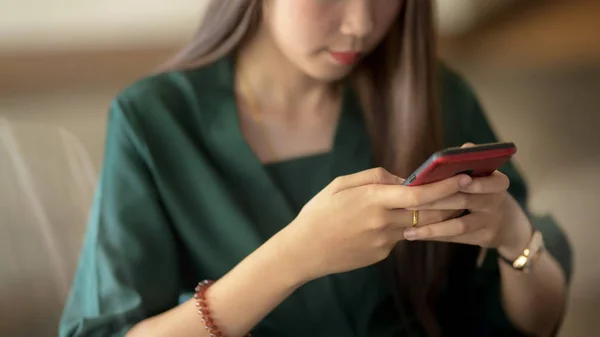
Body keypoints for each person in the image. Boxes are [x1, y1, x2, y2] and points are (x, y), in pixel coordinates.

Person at [59, 1, 572, 336]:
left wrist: (513, 237)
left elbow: (536, 323)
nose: (361, 23)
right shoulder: (154, 121)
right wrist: (294, 258)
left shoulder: (433, 97)